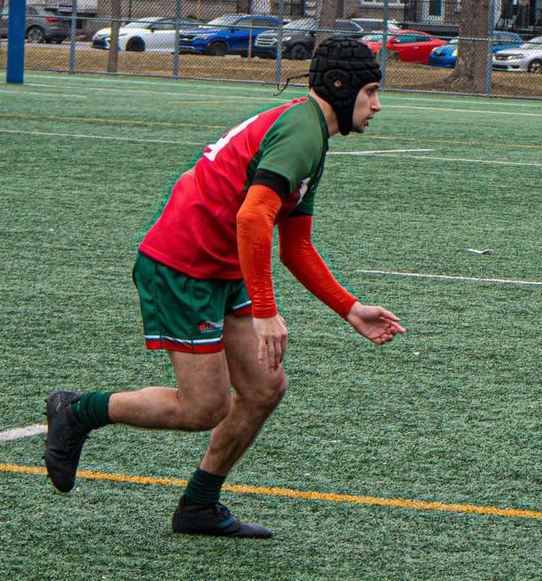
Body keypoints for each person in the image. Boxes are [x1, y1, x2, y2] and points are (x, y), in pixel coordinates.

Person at [43, 40, 406, 538]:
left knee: (263, 388)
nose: (377, 105)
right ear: (341, 88)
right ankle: (76, 410)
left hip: (221, 264)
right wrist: (266, 311)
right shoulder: (302, 132)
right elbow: (253, 217)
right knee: (204, 407)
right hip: (184, 264)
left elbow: (295, 247)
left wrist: (351, 308)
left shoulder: (312, 135)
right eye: (371, 92)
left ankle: (198, 505)